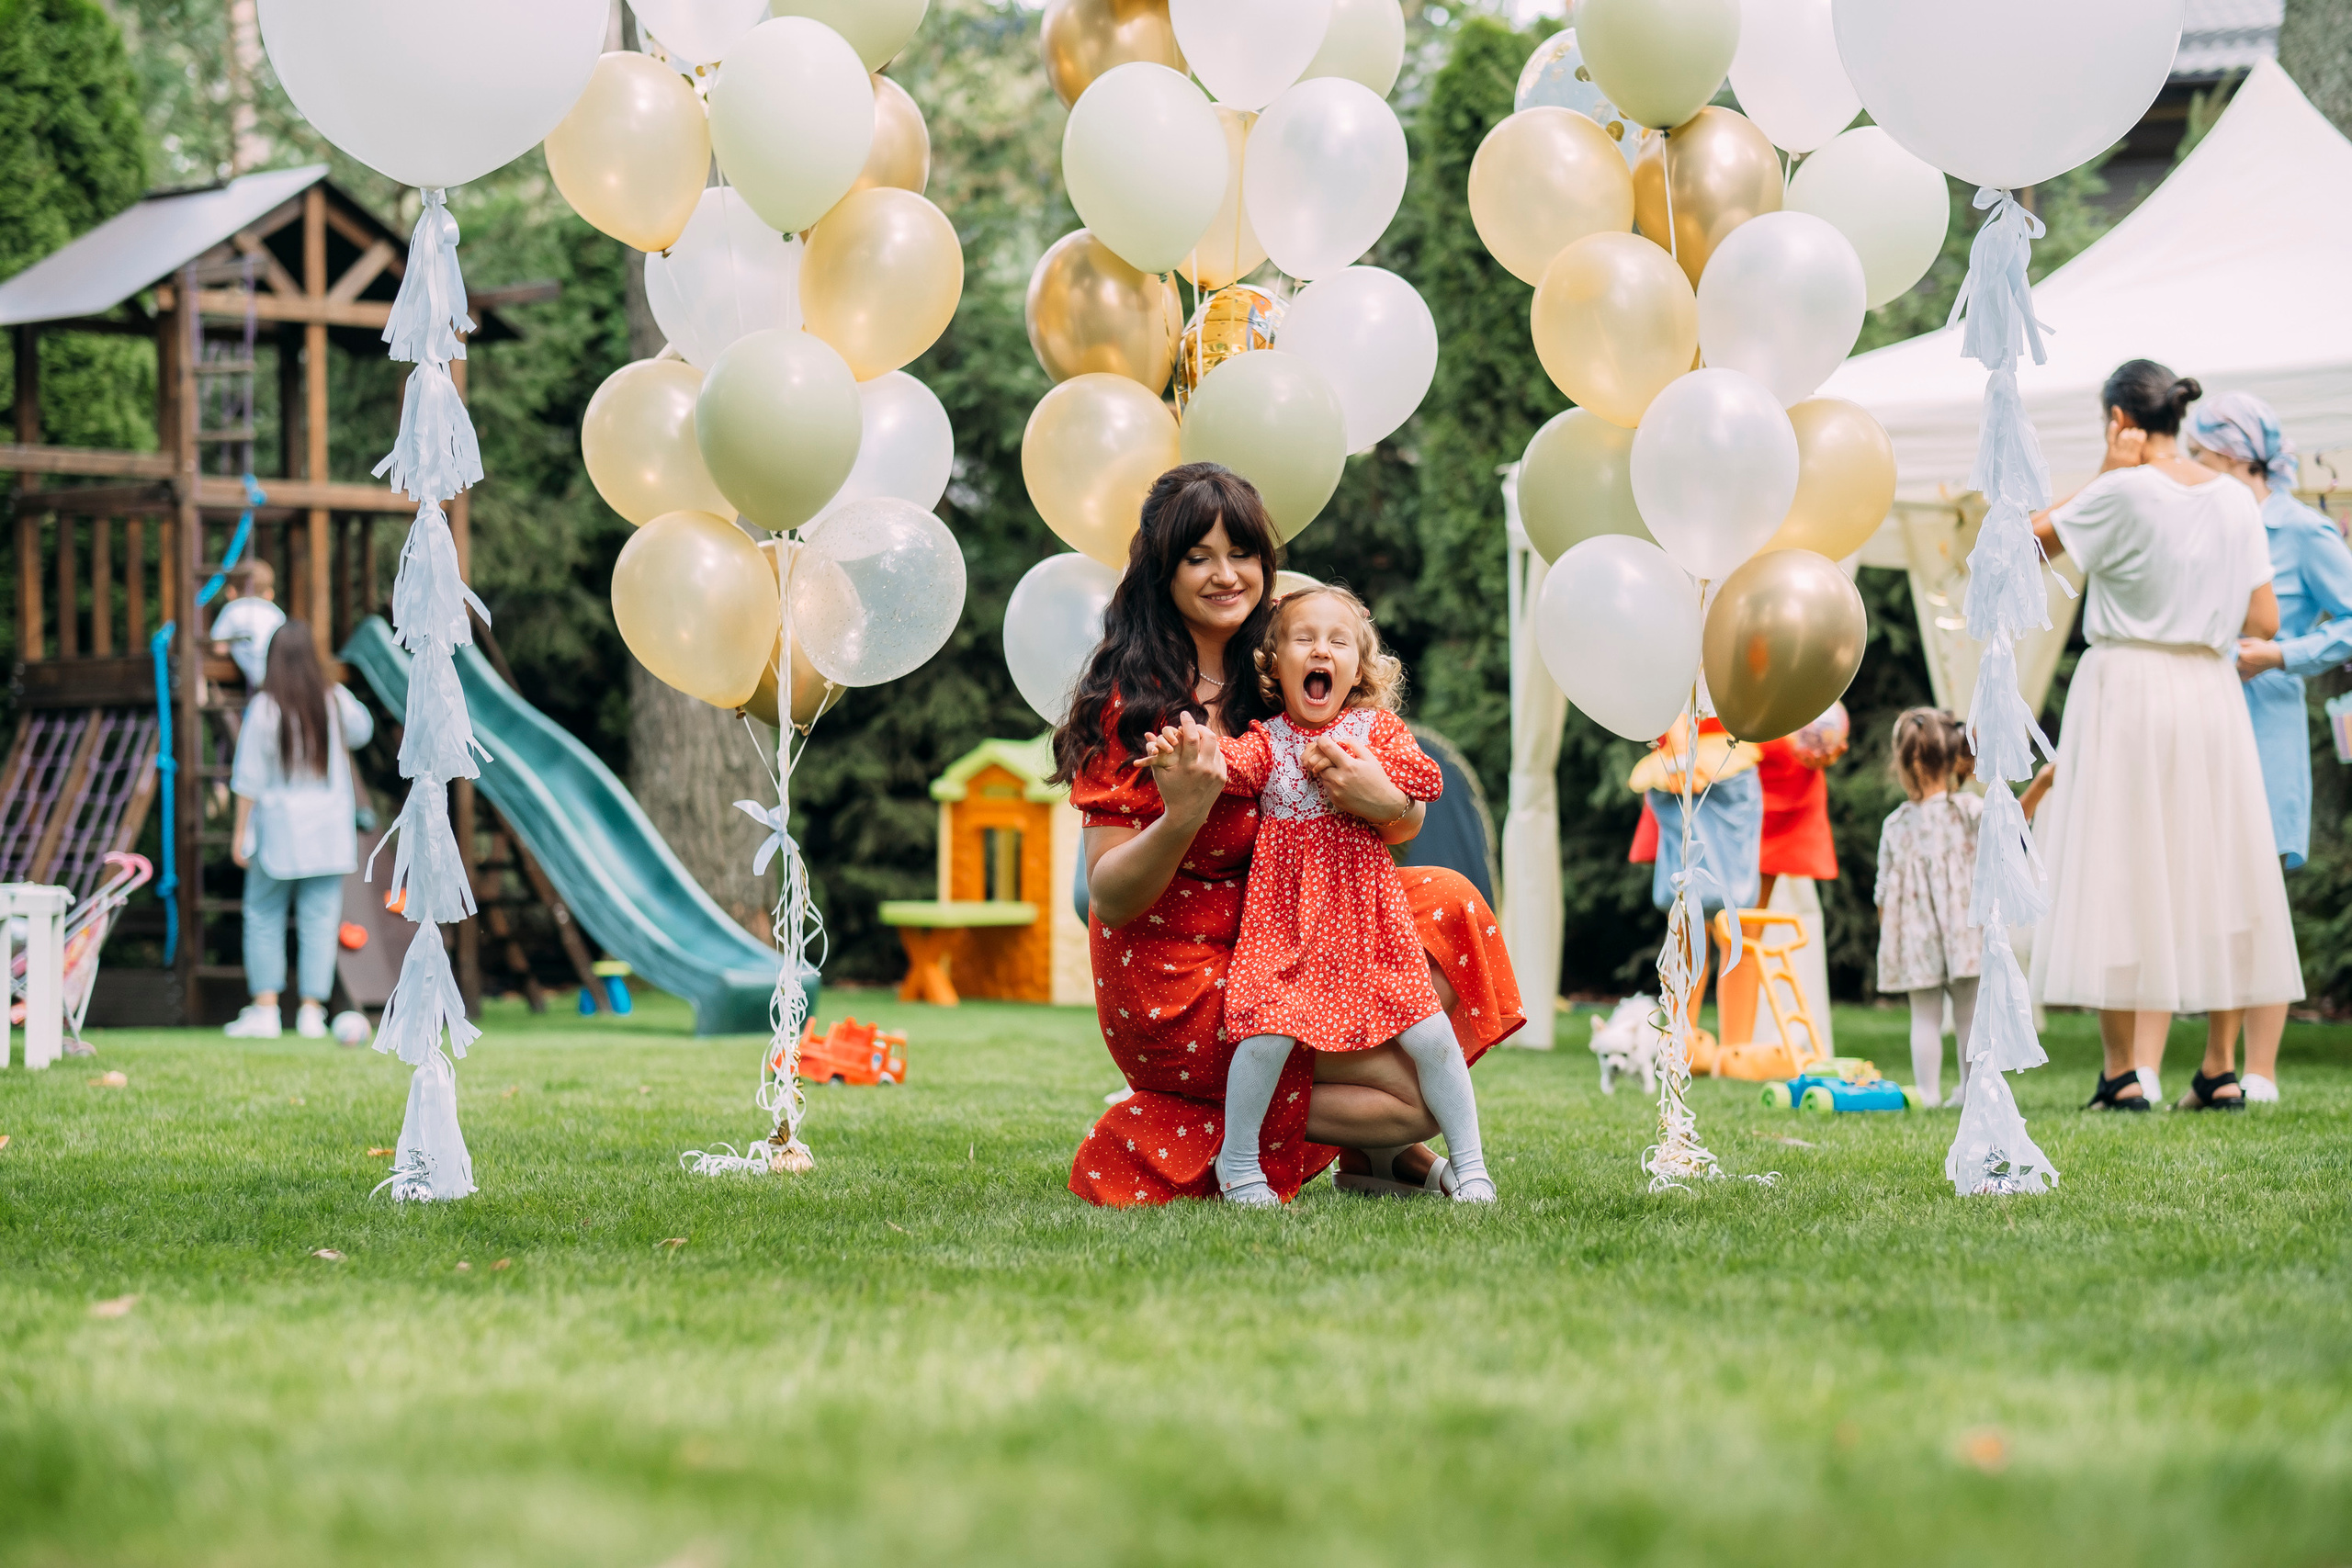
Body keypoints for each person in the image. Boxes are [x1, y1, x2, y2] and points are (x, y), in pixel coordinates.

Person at [1053, 463, 1522, 1206]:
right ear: (1161, 572)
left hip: (1280, 925)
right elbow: (1109, 896)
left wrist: (1383, 798)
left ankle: (1359, 1153)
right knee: (1416, 1096)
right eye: (1197, 556)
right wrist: (1181, 816)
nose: (1224, 574)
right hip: (1181, 977)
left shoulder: (1272, 666)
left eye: (1240, 553)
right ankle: (1275, 1135)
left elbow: (1403, 810)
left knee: (1446, 902)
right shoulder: (1135, 701)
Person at [1144, 586, 1493, 1206]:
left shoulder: (1373, 729)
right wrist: (1190, 748)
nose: (1320, 650)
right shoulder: (1268, 740)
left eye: (1337, 642)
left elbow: (1426, 779)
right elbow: (1228, 765)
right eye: (1304, 639)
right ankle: (1240, 1162)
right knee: (1265, 1036)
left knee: (1433, 1039)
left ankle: (1471, 1166)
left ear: (1358, 669)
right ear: (1275, 667)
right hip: (1284, 930)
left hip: (1371, 928)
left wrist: (1364, 768)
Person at [2028, 360, 2301, 1111]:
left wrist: (2099, 473)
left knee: (2120, 866)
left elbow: (2017, 552)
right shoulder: (2237, 501)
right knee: (2214, 865)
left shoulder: (2118, 490)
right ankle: (2218, 1067)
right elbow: (2266, 623)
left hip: (2126, 687)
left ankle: (2122, 1073)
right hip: (2208, 690)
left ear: (2119, 421)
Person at [2184, 390, 2349, 1104]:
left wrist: (2280, 655)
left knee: (2260, 898)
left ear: (2231, 456)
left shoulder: (2305, 530)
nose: (2191, 466)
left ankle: (2262, 1070)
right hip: (2201, 719)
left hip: (2268, 721)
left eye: (2200, 454)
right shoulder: (2204, 522)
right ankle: (2216, 1064)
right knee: (2217, 898)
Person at [225, 619, 374, 1040]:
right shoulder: (333, 701)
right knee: (320, 922)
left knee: (264, 915)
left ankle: (266, 1010)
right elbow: (364, 731)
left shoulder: (265, 708)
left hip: (280, 833)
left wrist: (240, 835)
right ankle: (312, 1012)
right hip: (328, 833)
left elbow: (247, 779)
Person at [1874, 709, 1980, 1106]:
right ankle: (1970, 1092)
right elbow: (2009, 827)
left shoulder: (1896, 823)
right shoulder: (1966, 810)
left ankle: (1928, 1094)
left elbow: (1883, 891)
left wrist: (1890, 935)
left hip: (1916, 939)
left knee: (1925, 1018)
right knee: (1968, 1015)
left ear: (1905, 764)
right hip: (1965, 932)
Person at [209, 558, 285, 690]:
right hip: (280, 674)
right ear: (269, 594)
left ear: (231, 592)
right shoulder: (276, 613)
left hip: (257, 677)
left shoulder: (232, 609)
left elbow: (218, 648)